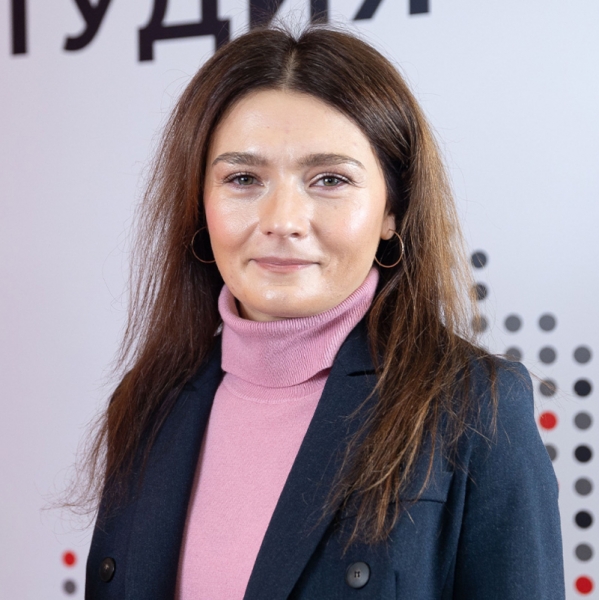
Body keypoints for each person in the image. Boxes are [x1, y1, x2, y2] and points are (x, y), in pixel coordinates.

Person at [84, 24, 564, 599]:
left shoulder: (473, 408)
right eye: (243, 178)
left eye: (330, 179)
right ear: (199, 204)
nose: (283, 220)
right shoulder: (149, 403)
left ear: (392, 210)